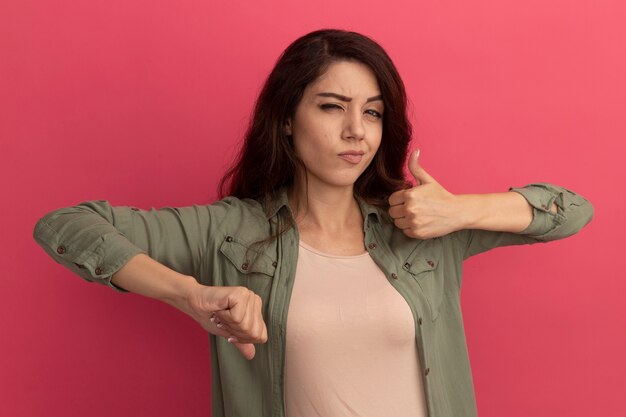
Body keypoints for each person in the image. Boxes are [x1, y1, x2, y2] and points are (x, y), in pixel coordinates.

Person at [33, 29, 593, 417]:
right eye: (331, 106)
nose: (357, 131)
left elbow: (569, 209)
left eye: (372, 111)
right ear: (285, 122)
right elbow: (68, 226)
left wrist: (461, 210)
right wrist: (188, 295)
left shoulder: (421, 226)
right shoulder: (230, 233)